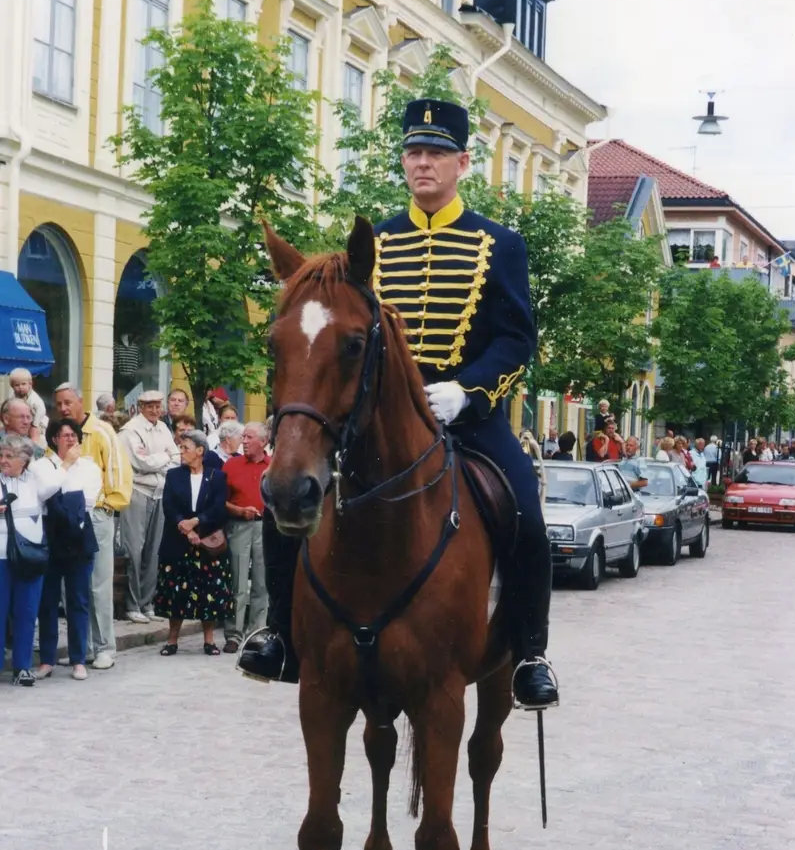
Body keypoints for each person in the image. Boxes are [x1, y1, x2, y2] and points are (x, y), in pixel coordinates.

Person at [241, 97, 558, 710]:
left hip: (467, 416)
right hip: (379, 419)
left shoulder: (500, 245)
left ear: (463, 162)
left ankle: (530, 652)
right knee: (287, 503)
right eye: (414, 152)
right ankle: (281, 634)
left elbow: (518, 340)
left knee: (526, 514)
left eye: (436, 153)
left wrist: (467, 392)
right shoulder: (373, 244)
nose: (423, 163)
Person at [54, 383, 133, 670]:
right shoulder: (60, 434)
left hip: (97, 513)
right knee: (72, 586)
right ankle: (81, 648)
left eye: (67, 402)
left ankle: (105, 648)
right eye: (59, 404)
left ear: (80, 401)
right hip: (67, 517)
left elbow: (119, 470)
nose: (63, 408)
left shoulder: (101, 431)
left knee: (98, 584)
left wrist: (109, 504)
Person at [154, 430, 232, 656]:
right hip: (178, 541)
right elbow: (169, 506)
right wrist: (185, 528)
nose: (181, 451)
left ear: (200, 451)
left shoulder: (217, 476)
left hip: (207, 541)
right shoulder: (173, 475)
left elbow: (218, 508)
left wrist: (197, 522)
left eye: (185, 447)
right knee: (176, 591)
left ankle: (209, 641)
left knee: (209, 590)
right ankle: (172, 640)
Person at [36, 419, 102, 681]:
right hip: (50, 538)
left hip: (79, 535)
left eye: (74, 435)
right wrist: (63, 468)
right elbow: (44, 492)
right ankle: (47, 659)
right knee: (48, 602)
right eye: (65, 435)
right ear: (54, 439)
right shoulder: (42, 466)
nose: (71, 440)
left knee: (78, 600)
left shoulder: (89, 467)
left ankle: (78, 659)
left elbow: (87, 501)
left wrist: (61, 498)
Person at [0, 433, 66, 685]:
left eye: (10, 456)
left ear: (24, 460)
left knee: (27, 614)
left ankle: (22, 668)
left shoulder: (36, 480)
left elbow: (58, 479)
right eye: (2, 455)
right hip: (1, 558)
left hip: (31, 558)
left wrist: (47, 453)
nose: (3, 460)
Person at [118, 390, 180, 623]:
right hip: (138, 491)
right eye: (150, 406)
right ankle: (132, 604)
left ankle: (147, 603)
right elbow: (140, 463)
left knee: (153, 551)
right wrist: (163, 458)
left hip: (159, 492)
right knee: (134, 549)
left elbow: (177, 457)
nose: (155, 410)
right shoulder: (130, 430)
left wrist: (160, 458)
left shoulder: (163, 428)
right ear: (141, 406)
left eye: (157, 406)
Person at [222, 421, 270, 654]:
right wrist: (240, 511)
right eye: (243, 437)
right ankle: (233, 633)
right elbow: (220, 501)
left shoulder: (273, 465)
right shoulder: (231, 465)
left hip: (265, 527)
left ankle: (257, 633)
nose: (244, 441)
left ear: (264, 442)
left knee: (262, 582)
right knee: (238, 581)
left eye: (250, 437)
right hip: (238, 525)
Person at [9, 367, 48, 438]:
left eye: (23, 384)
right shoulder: (13, 397)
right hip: (24, 424)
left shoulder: (34, 398)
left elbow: (41, 410)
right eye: (17, 385)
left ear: (30, 384)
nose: (20, 387)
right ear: (12, 386)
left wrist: (34, 425)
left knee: (36, 437)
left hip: (38, 422)